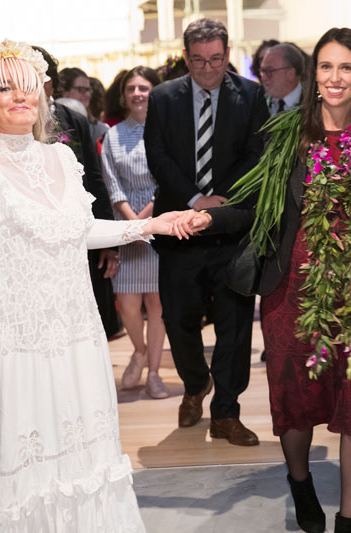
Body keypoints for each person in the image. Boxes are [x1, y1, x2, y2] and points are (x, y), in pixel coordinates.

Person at [0, 39, 181, 530]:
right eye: (5, 88)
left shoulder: (61, 159)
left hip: (75, 334)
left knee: (80, 455)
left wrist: (152, 225)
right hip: (14, 343)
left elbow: (80, 232)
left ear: (42, 95)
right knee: (23, 458)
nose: (20, 96)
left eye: (29, 86)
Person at [173, 27, 351, 533]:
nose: (335, 78)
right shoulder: (287, 138)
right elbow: (250, 202)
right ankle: (300, 481)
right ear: (312, 75)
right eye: (325, 67)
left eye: (346, 67)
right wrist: (208, 219)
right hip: (293, 292)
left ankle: (350, 522)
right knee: (296, 403)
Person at [144, 17, 269, 446]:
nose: (208, 69)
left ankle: (226, 414)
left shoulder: (251, 95)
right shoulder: (163, 97)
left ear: (228, 54)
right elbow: (157, 155)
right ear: (186, 58)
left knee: (234, 325)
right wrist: (195, 201)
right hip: (178, 227)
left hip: (231, 229)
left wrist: (219, 204)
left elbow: (257, 154)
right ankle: (196, 385)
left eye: (216, 59)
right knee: (179, 320)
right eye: (198, 61)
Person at [34, 44, 123, 339]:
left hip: (78, 231)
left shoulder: (73, 120)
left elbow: (95, 180)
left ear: (52, 81)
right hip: (36, 238)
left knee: (86, 317)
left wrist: (109, 242)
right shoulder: (7, 123)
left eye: (41, 75)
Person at [101, 66, 168, 399]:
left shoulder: (166, 129)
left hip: (159, 223)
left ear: (154, 91)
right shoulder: (114, 135)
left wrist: (146, 221)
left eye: (144, 87)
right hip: (125, 227)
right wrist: (131, 225)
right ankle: (139, 350)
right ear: (123, 94)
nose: (138, 93)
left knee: (157, 304)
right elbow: (111, 183)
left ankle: (154, 372)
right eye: (131, 88)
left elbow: (168, 179)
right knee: (127, 303)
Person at [260, 43, 304, 115]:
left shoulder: (312, 103)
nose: (263, 78)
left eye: (269, 71)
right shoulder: (260, 103)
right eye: (262, 71)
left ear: (290, 74)